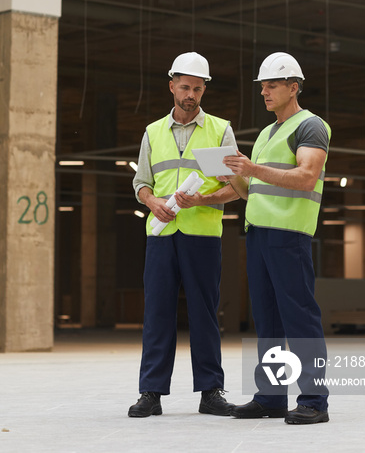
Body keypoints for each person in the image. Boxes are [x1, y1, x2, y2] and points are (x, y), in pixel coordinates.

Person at [128, 52, 239, 418]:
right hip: (160, 234)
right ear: (172, 86)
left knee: (204, 313)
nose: (190, 94)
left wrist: (202, 200)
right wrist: (152, 201)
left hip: (202, 235)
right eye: (185, 87)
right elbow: (141, 183)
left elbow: (236, 188)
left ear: (204, 89)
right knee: (157, 312)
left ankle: (211, 392)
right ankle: (151, 392)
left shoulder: (220, 130)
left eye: (197, 88)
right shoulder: (153, 132)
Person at [223, 52, 331, 425]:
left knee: (299, 318)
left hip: (289, 236)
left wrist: (251, 168)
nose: (264, 92)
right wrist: (234, 176)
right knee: (267, 320)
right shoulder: (269, 134)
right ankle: (270, 397)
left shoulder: (311, 126)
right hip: (259, 235)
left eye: (271, 85)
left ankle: (315, 400)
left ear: (293, 87)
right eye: (262, 86)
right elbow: (252, 190)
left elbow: (305, 176)